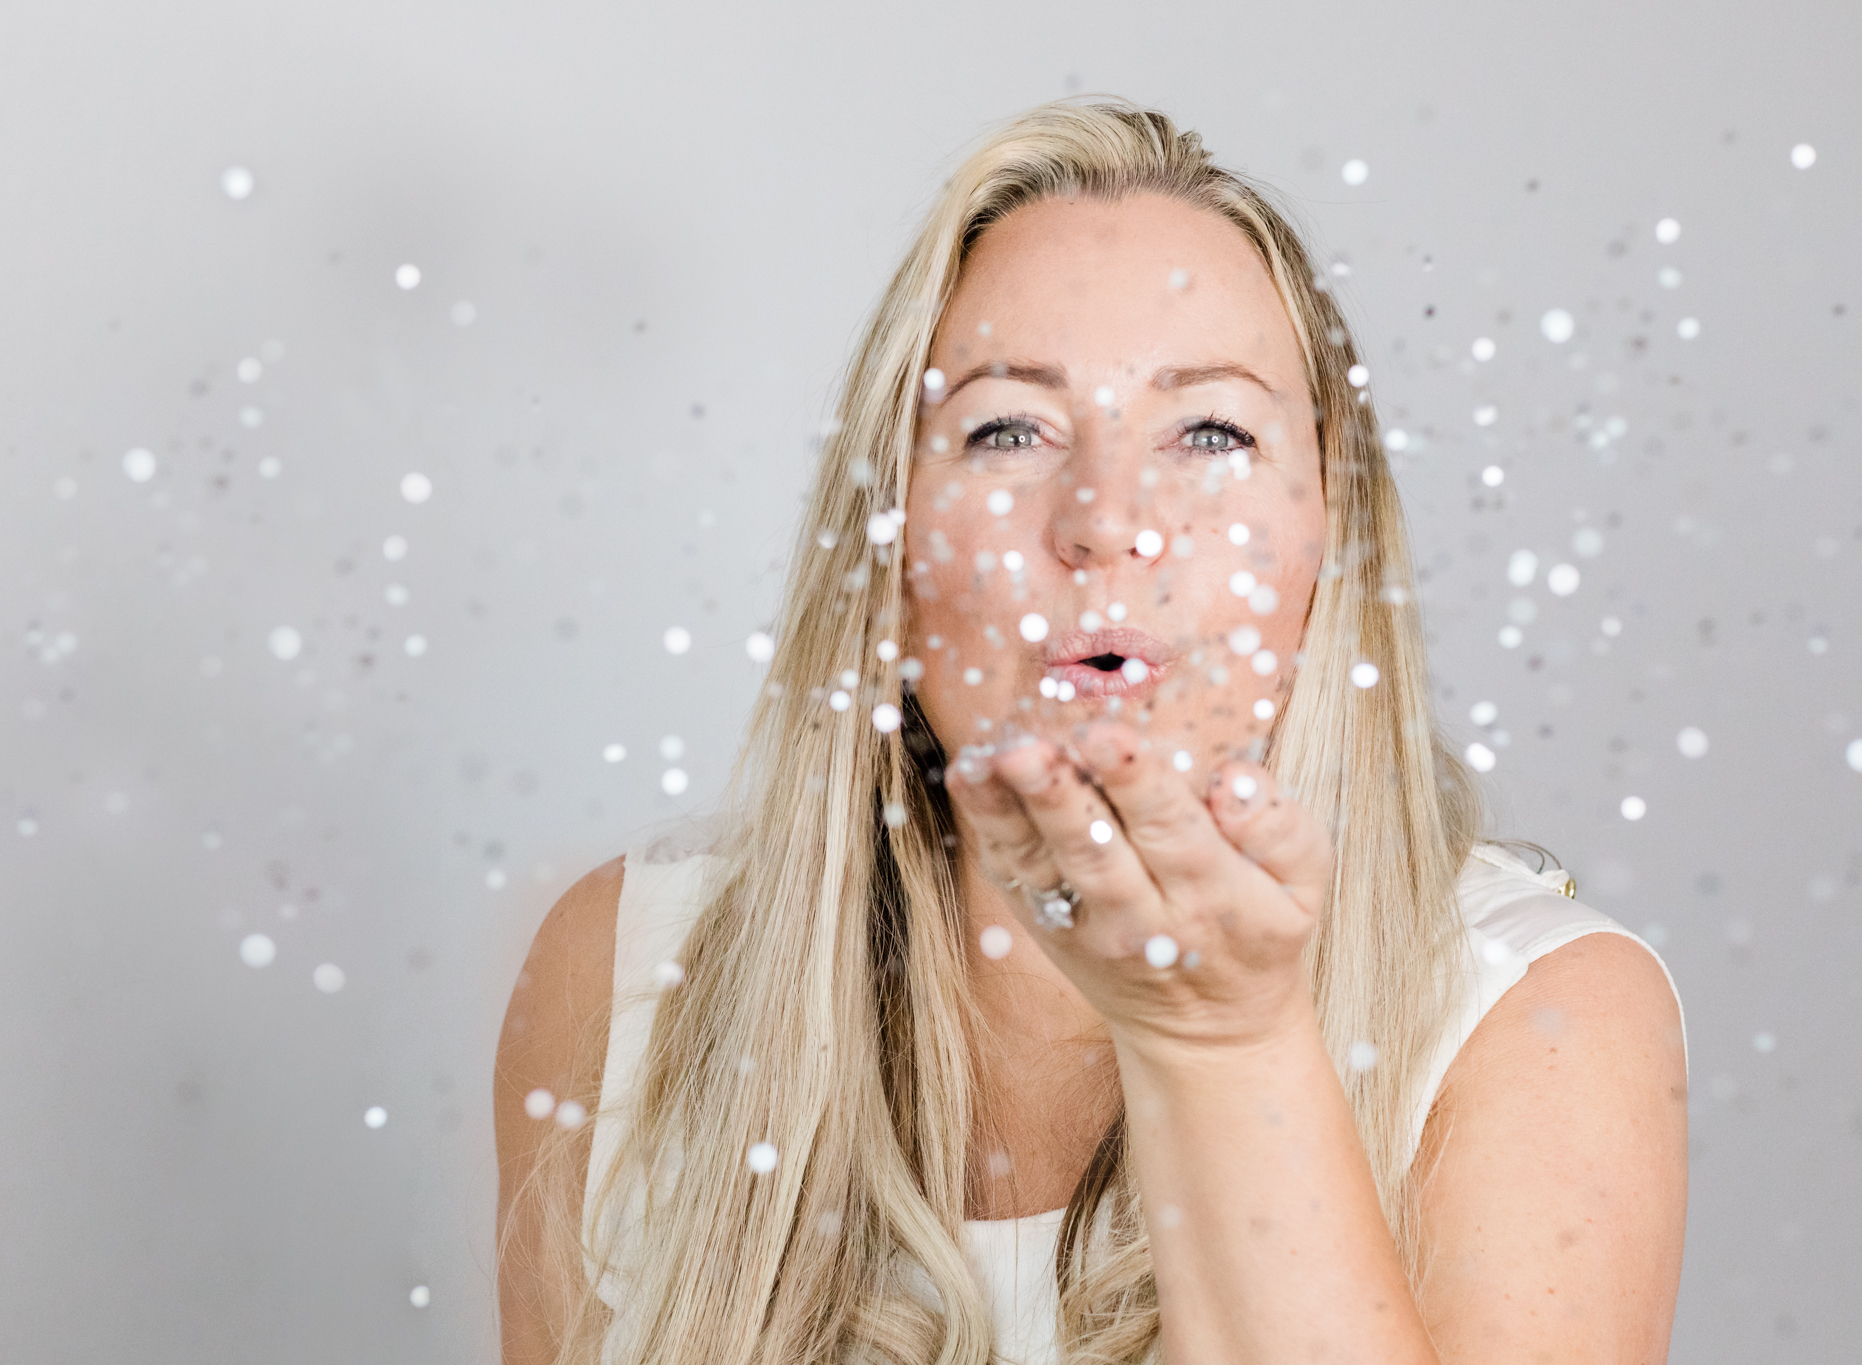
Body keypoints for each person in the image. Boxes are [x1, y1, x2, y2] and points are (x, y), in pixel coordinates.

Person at [494, 97, 1689, 1365]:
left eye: (1211, 432)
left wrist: (1220, 1041)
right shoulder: (623, 971)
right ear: (890, 548)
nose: (1107, 520)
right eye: (1009, 428)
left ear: (1329, 545)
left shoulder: (1540, 1017)